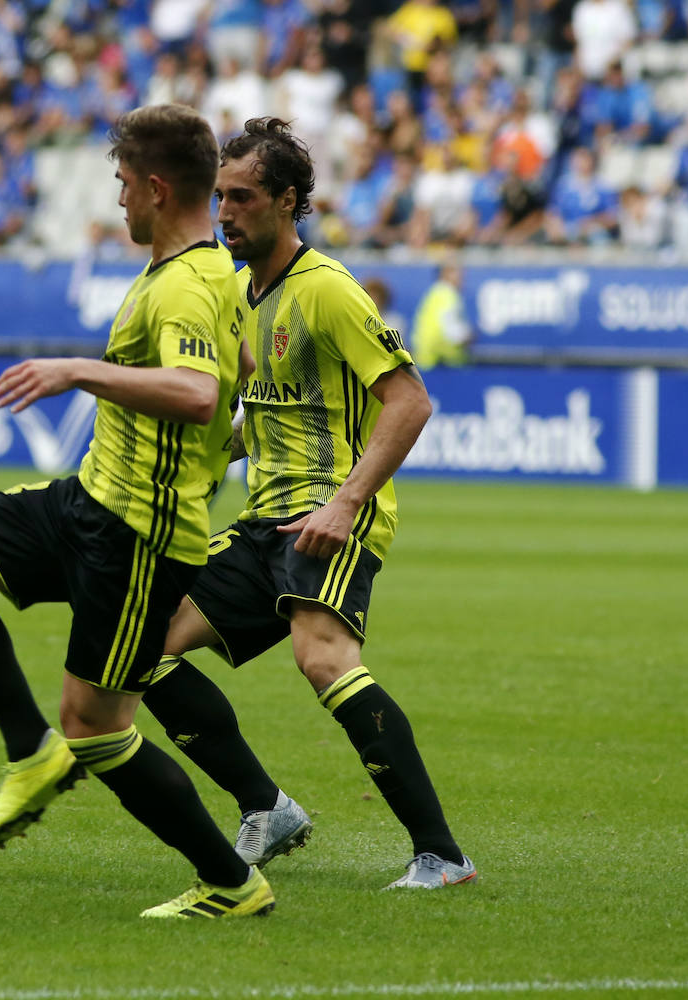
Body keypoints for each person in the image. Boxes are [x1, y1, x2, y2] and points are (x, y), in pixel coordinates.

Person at [0, 104, 274, 919]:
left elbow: (196, 390)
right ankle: (31, 752)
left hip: (139, 536)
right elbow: (241, 375)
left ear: (154, 186)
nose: (117, 202)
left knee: (99, 729)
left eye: (120, 185)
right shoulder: (199, 273)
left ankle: (232, 882)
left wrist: (77, 371)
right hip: (89, 499)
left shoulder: (185, 285)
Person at [140, 117, 476, 891]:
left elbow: (410, 402)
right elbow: (265, 415)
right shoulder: (233, 294)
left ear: (289, 201)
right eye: (219, 197)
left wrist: (347, 503)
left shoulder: (325, 290)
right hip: (264, 521)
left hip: (326, 515)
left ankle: (442, 855)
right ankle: (266, 805)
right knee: (138, 647)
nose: (225, 213)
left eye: (244, 197)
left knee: (322, 657)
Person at [412, 261, 473, 369]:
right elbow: (451, 327)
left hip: (427, 361)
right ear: (445, 273)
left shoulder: (435, 293)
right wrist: (467, 337)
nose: (462, 277)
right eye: (457, 272)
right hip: (442, 362)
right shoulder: (447, 294)